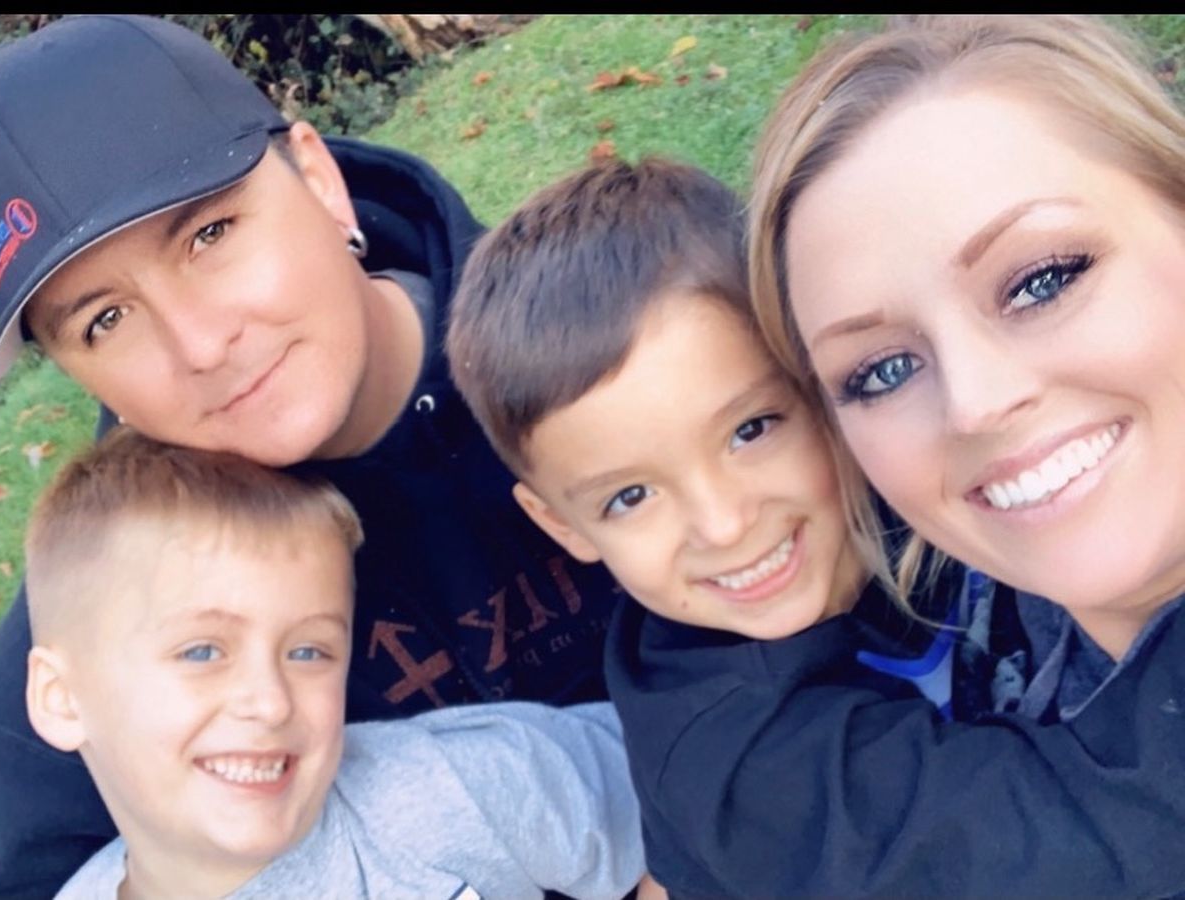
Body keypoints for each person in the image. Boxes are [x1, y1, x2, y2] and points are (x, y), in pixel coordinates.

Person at [0, 15, 622, 897]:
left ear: (321, 182)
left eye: (210, 235)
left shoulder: (613, 353)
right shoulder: (103, 630)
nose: (200, 343)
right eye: (106, 320)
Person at [447, 153, 1185, 898]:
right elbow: (1085, 846)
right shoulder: (733, 757)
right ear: (561, 525)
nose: (723, 524)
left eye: (751, 430)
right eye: (631, 496)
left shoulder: (905, 490)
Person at [24, 427, 644, 900]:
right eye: (203, 651)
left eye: (308, 651)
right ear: (61, 698)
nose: (271, 702)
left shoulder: (447, 792)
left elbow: (680, 787)